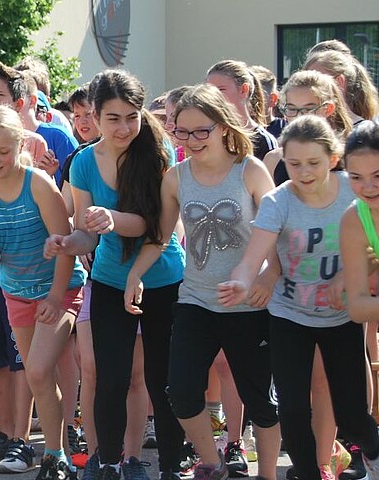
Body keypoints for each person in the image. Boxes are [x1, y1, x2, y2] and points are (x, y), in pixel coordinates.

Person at [125, 83, 281, 480]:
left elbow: (278, 227)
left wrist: (270, 273)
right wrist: (134, 275)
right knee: (180, 393)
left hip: (248, 305)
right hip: (195, 299)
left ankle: (266, 474)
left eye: (201, 131)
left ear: (223, 126)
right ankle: (211, 463)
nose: (191, 140)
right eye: (182, 131)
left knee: (260, 401)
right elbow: (160, 236)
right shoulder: (176, 177)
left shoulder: (250, 169)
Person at [44, 69, 187, 480]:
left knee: (163, 382)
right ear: (94, 115)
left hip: (163, 280)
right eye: (113, 118)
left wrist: (110, 218)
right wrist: (65, 244)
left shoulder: (159, 151)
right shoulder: (84, 161)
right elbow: (86, 236)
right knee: (110, 378)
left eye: (132, 116)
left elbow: (152, 225)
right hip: (107, 280)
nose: (124, 127)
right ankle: (108, 463)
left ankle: (170, 469)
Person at [220, 115, 374, 480]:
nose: (303, 172)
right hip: (289, 314)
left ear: (334, 158)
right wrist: (242, 281)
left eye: (313, 163)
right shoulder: (278, 201)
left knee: (351, 416)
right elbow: (253, 255)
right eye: (293, 164)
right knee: (290, 410)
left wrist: (346, 276)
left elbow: (373, 251)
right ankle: (307, 472)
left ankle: (372, 451)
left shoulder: (354, 191)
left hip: (340, 317)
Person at [0, 105, 87, 480]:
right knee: (37, 376)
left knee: (41, 370)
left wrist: (55, 297)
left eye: (3, 151)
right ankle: (53, 454)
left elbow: (65, 246)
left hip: (59, 288)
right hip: (15, 292)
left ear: (20, 146)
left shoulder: (39, 184)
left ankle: (53, 453)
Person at [341, 119, 379, 480]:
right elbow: (357, 306)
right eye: (355, 176)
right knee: (351, 415)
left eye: (378, 176)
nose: (367, 187)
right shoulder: (354, 218)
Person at [264, 70, 353, 185]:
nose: (299, 117)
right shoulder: (273, 160)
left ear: (328, 109)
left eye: (308, 109)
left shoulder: (349, 159)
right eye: (292, 109)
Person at [206, 61, 278, 161]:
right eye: (210, 91)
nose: (214, 96)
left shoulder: (263, 141)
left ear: (244, 90)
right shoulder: (207, 134)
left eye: (221, 90)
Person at [304, 50, 379, 126]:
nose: (306, 89)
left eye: (315, 81)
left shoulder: (363, 132)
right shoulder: (306, 126)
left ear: (339, 81)